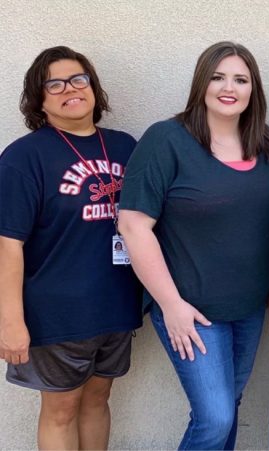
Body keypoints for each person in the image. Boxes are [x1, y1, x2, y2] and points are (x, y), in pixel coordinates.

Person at [118, 41, 269, 450]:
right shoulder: (166, 140)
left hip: (248, 307)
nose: (229, 87)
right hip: (191, 310)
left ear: (253, 89)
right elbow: (134, 225)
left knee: (230, 406)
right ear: (202, 83)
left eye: (241, 79)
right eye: (218, 77)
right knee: (215, 419)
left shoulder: (267, 143)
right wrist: (171, 305)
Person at [0, 46, 141, 449]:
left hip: (115, 305)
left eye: (79, 79)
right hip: (56, 312)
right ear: (39, 99)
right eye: (55, 84)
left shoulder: (124, 147)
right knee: (61, 410)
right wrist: (10, 322)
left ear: (93, 88)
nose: (70, 89)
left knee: (99, 400)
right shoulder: (24, 158)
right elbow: (8, 245)